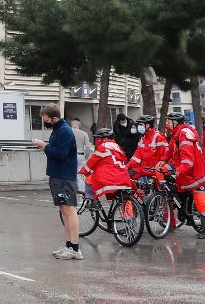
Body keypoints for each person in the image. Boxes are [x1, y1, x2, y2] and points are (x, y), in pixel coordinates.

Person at [31, 105, 81, 260]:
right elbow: (56, 151)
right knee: (64, 211)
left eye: (45, 118)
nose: (43, 121)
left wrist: (45, 146)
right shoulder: (58, 130)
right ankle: (69, 245)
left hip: (64, 176)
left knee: (69, 210)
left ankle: (75, 248)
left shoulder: (64, 131)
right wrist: (45, 147)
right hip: (58, 175)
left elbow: (61, 154)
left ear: (53, 117)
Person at [171, 124, 205, 238]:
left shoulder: (184, 135)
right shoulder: (177, 135)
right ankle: (187, 216)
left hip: (196, 173)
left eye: (171, 121)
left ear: (176, 122)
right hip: (188, 174)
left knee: (200, 200)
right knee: (181, 194)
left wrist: (178, 171)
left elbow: (188, 160)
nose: (169, 123)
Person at [79, 128, 135, 204]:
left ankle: (93, 202)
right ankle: (129, 215)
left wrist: (82, 171)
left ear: (105, 138)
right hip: (124, 177)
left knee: (89, 179)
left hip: (110, 178)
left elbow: (91, 162)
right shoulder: (117, 146)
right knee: (123, 200)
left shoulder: (103, 146)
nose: (97, 140)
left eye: (98, 138)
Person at [69, 118, 91, 194]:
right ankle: (81, 189)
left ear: (71, 124)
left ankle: (71, 188)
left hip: (70, 155)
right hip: (80, 155)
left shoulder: (67, 133)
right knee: (80, 173)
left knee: (70, 172)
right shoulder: (84, 133)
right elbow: (88, 147)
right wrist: (86, 156)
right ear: (79, 124)